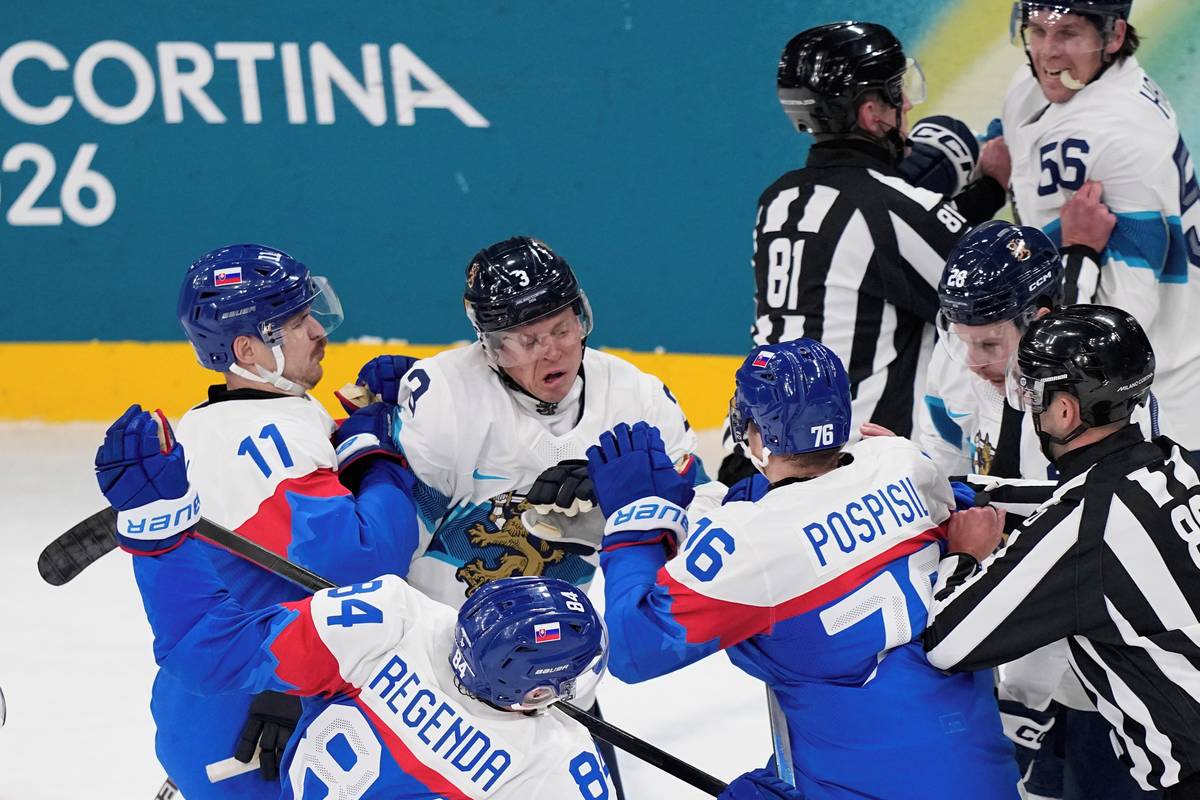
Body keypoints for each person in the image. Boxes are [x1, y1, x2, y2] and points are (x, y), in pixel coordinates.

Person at [94, 406, 801, 800]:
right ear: (543, 694)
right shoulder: (555, 765)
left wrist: (157, 532)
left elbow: (204, 647)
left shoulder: (387, 620)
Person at [340, 235, 704, 796]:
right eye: (527, 340)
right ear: (490, 348)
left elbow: (706, 522)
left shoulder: (639, 400)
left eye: (563, 329)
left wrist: (631, 508)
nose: (552, 352)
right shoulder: (447, 398)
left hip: (562, 685)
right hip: (436, 689)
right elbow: (385, 551)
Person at [587, 339, 1018, 800]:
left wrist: (635, 524)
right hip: (981, 772)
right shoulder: (902, 460)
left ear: (757, 432)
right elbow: (818, 505)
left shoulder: (750, 542)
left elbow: (633, 649)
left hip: (859, 787)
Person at [136, 244, 420, 798]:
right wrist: (374, 451)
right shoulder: (258, 440)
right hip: (252, 730)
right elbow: (366, 561)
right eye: (295, 322)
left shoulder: (247, 416)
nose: (317, 331)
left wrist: (355, 430)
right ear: (248, 350)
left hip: (243, 703)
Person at [915, 219, 1162, 799]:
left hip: (1101, 640)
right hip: (1011, 614)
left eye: (989, 344)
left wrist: (1022, 700)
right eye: (960, 338)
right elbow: (940, 477)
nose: (971, 359)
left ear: (1038, 320)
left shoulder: (1095, 396)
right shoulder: (957, 367)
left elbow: (1082, 541)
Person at [749, 21, 1011, 444]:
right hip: (856, 460)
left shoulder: (779, 201)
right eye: (895, 91)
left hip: (765, 444)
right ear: (871, 113)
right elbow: (995, 293)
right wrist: (996, 188)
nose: (905, 103)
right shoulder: (889, 206)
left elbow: (890, 247)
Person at [1002, 0, 1200, 445]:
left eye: (1068, 33)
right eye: (1037, 30)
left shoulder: (1116, 135)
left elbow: (1120, 323)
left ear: (1113, 36)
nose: (1048, 52)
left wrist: (1079, 251)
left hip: (1148, 394)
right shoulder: (1070, 85)